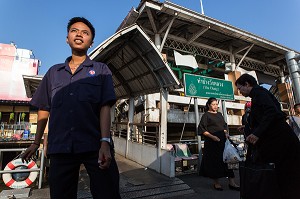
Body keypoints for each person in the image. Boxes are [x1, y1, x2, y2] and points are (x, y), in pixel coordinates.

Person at [21, 17, 121, 199]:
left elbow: (105, 106)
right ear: (67, 38)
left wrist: (105, 142)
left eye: (85, 33)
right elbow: (44, 108)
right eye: (74, 31)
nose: (79, 35)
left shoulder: (101, 70)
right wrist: (36, 143)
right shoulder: (54, 72)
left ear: (91, 42)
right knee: (61, 195)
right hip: (60, 146)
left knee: (108, 193)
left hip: (94, 144)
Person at [235, 73, 300, 199]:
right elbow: (264, 116)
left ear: (247, 84)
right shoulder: (259, 94)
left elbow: (271, 112)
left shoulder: (259, 93)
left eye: (240, 88)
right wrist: (249, 128)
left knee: (287, 174)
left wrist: (256, 133)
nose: (240, 91)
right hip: (279, 139)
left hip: (280, 140)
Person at [198, 97, 240, 191]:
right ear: (208, 105)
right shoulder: (206, 115)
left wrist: (226, 134)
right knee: (215, 163)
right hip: (212, 143)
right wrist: (213, 137)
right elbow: (202, 129)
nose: (215, 106)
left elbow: (224, 126)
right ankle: (216, 183)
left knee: (228, 161)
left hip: (222, 142)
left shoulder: (220, 114)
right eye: (213, 104)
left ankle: (232, 183)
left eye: (216, 104)